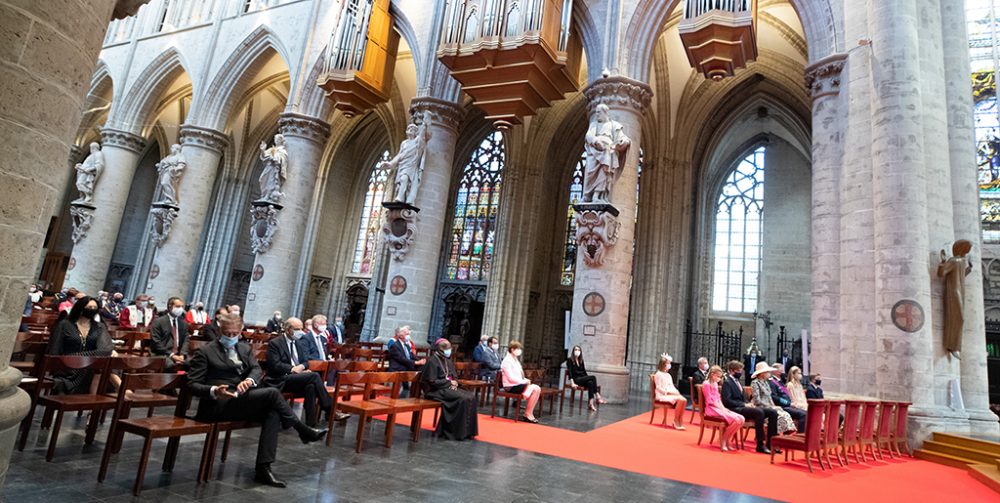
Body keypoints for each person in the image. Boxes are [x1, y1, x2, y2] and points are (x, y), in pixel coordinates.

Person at [186, 313, 327, 488]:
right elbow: (192, 384)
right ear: (220, 330)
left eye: (234, 334)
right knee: (272, 394)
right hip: (217, 404)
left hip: (240, 400)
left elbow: (255, 369)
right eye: (227, 333)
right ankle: (302, 429)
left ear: (240, 332)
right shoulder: (206, 351)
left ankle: (263, 468)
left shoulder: (244, 348)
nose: (230, 337)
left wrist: (249, 380)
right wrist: (214, 390)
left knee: (273, 411)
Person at [263, 318, 332, 427]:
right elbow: (274, 365)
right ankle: (330, 409)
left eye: (301, 329)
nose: (299, 332)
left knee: (311, 387)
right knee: (314, 376)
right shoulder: (275, 343)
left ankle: (311, 425)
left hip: (295, 378)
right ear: (287, 329)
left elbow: (306, 362)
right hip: (280, 379)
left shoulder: (298, 343)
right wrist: (292, 368)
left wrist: (302, 367)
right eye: (296, 329)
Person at [46, 296, 114, 394]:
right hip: (66, 367)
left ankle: (93, 403)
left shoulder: (99, 326)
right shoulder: (64, 325)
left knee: (100, 369)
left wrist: (79, 358)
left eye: (95, 308)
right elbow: (54, 350)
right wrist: (62, 364)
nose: (92, 310)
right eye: (89, 307)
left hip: (88, 366)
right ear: (80, 307)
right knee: (100, 371)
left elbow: (106, 349)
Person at [419, 339, 479, 440]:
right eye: (448, 349)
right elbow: (431, 382)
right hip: (435, 390)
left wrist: (454, 382)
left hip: (447, 387)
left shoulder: (447, 360)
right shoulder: (432, 361)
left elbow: (453, 376)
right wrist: (449, 383)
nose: (449, 351)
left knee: (470, 396)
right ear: (441, 350)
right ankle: (454, 432)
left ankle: (468, 432)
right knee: (462, 399)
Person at [721, 360, 779, 454]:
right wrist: (744, 404)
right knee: (759, 412)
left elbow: (743, 398)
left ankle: (770, 443)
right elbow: (727, 401)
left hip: (743, 406)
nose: (741, 372)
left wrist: (749, 403)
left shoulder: (737, 382)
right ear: (731, 371)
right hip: (734, 409)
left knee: (772, 412)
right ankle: (760, 444)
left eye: (741, 370)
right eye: (738, 370)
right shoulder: (727, 382)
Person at [701, 365, 745, 451]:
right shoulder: (706, 384)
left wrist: (723, 408)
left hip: (718, 407)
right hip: (711, 409)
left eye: (720, 377)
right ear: (712, 374)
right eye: (717, 376)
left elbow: (718, 398)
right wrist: (720, 408)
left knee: (741, 419)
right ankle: (723, 440)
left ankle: (728, 438)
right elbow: (710, 401)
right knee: (736, 419)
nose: (719, 378)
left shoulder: (715, 384)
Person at [500, 341, 542, 423]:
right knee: (535, 388)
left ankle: (528, 414)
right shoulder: (507, 361)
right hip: (510, 386)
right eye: (518, 349)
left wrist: (525, 379)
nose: (519, 351)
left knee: (537, 389)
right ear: (512, 349)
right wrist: (523, 381)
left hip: (517, 384)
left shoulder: (515, 360)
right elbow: (510, 378)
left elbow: (519, 375)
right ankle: (528, 414)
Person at [749, 362, 796, 435]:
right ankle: (773, 436)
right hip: (760, 407)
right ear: (762, 373)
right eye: (767, 372)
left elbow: (769, 397)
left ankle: (785, 434)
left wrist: (774, 406)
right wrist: (770, 407)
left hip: (769, 406)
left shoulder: (766, 383)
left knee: (785, 413)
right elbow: (757, 400)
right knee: (779, 415)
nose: (769, 373)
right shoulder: (755, 383)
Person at [149, 297, 190, 371]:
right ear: (170, 306)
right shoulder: (158, 322)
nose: (180, 309)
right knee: (170, 365)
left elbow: (186, 340)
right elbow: (156, 342)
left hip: (179, 354)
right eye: (177, 306)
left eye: (181, 307)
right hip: (161, 353)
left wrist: (182, 354)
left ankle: (181, 382)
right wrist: (172, 355)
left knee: (195, 364)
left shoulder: (183, 323)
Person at [387, 326, 425, 396]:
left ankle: (418, 391)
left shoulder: (407, 345)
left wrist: (420, 361)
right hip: (398, 367)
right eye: (407, 334)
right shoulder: (395, 345)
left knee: (423, 368)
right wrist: (415, 362)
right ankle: (415, 391)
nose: (409, 336)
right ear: (401, 336)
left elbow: (411, 356)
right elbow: (401, 359)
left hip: (406, 366)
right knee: (419, 367)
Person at [566, 345, 606, 411]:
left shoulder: (581, 360)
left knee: (590, 382)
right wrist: (572, 383)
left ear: (580, 352)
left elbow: (584, 372)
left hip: (582, 379)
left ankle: (591, 403)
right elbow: (570, 372)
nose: (577, 351)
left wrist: (588, 378)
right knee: (593, 377)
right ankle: (598, 396)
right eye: (575, 350)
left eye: (578, 350)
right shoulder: (570, 360)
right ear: (573, 351)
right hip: (576, 380)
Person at [652, 354, 686, 429]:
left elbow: (671, 386)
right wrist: (668, 393)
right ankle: (676, 421)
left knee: (684, 400)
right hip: (662, 395)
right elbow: (658, 387)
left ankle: (679, 420)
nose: (669, 365)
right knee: (680, 400)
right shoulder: (658, 374)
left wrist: (676, 392)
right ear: (663, 364)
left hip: (669, 394)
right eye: (668, 363)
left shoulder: (668, 375)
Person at [769, 363, 806, 431]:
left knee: (805, 412)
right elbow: (774, 397)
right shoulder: (772, 382)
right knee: (803, 414)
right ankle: (800, 435)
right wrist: (788, 403)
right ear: (775, 371)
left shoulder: (780, 382)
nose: (783, 372)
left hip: (788, 405)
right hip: (782, 406)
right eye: (781, 370)